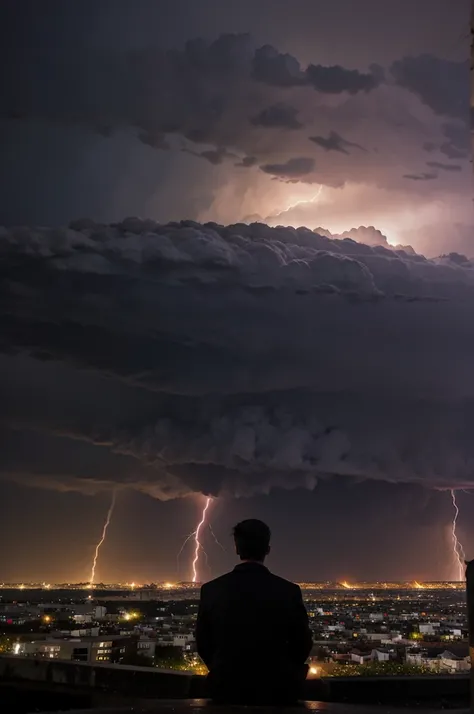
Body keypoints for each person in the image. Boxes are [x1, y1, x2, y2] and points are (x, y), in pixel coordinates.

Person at [195, 519, 313, 705]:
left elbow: (202, 641)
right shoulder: (288, 591)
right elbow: (302, 643)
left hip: (225, 688)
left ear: (236, 548)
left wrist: (221, 668)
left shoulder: (211, 590)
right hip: (277, 690)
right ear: (267, 549)